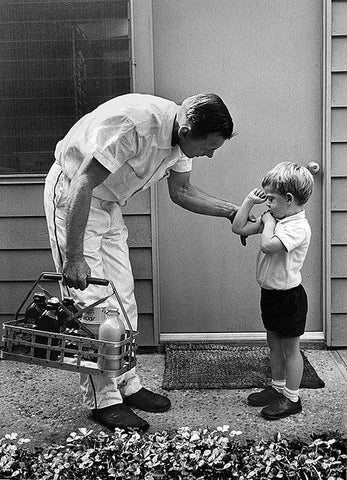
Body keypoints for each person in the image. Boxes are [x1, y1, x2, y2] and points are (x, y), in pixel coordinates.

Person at [44, 92, 240, 432]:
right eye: (208, 147)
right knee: (92, 307)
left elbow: (182, 192)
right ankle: (103, 401)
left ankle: (127, 383)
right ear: (186, 130)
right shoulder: (133, 125)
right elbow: (83, 181)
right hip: (74, 198)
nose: (209, 154)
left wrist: (233, 212)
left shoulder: (181, 140)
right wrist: (73, 256)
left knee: (123, 298)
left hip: (107, 204)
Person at [232, 162, 314, 419]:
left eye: (271, 200)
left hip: (289, 298)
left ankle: (292, 397)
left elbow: (268, 246)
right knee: (273, 345)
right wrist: (248, 202)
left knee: (290, 349)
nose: (267, 205)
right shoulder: (277, 219)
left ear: (289, 199)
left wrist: (267, 221)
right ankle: (277, 387)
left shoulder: (297, 228)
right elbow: (238, 228)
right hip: (271, 295)